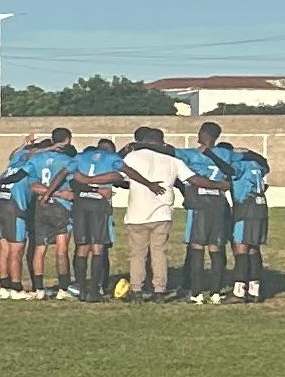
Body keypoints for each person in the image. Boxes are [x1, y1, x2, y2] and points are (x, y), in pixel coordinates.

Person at [116, 128, 186, 302]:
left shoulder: (132, 157)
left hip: (137, 213)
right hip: (162, 212)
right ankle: (159, 290)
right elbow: (188, 179)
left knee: (138, 254)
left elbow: (118, 176)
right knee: (159, 253)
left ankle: (137, 289)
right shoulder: (172, 160)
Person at [175, 123, 235, 305]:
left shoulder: (190, 154)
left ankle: (197, 293)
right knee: (216, 247)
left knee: (197, 247)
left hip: (199, 204)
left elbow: (168, 152)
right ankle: (216, 293)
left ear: (203, 133)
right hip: (218, 204)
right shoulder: (226, 154)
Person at [0, 134, 54, 300]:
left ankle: (5, 287)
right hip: (14, 206)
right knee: (16, 249)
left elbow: (13, 154)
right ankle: (17, 288)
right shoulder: (33, 162)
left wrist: (24, 145)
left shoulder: (18, 158)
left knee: (4, 249)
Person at [65, 131, 126, 301]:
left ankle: (82, 288)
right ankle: (96, 287)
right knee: (100, 247)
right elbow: (122, 178)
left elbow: (74, 181)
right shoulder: (108, 162)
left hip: (81, 206)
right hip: (99, 207)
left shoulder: (83, 159)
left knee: (82, 247)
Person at [24, 130, 78, 300]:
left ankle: (39, 289)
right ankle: (63, 288)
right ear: (68, 140)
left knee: (40, 248)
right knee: (62, 249)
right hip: (61, 208)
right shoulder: (68, 161)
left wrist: (47, 195)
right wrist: (60, 194)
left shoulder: (37, 159)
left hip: (41, 206)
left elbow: (32, 185)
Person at [226, 137, 272, 303]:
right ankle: (255, 290)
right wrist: (249, 152)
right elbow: (265, 163)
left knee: (241, 248)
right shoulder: (257, 165)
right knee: (253, 248)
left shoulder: (238, 166)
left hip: (245, 208)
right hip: (261, 208)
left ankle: (239, 291)